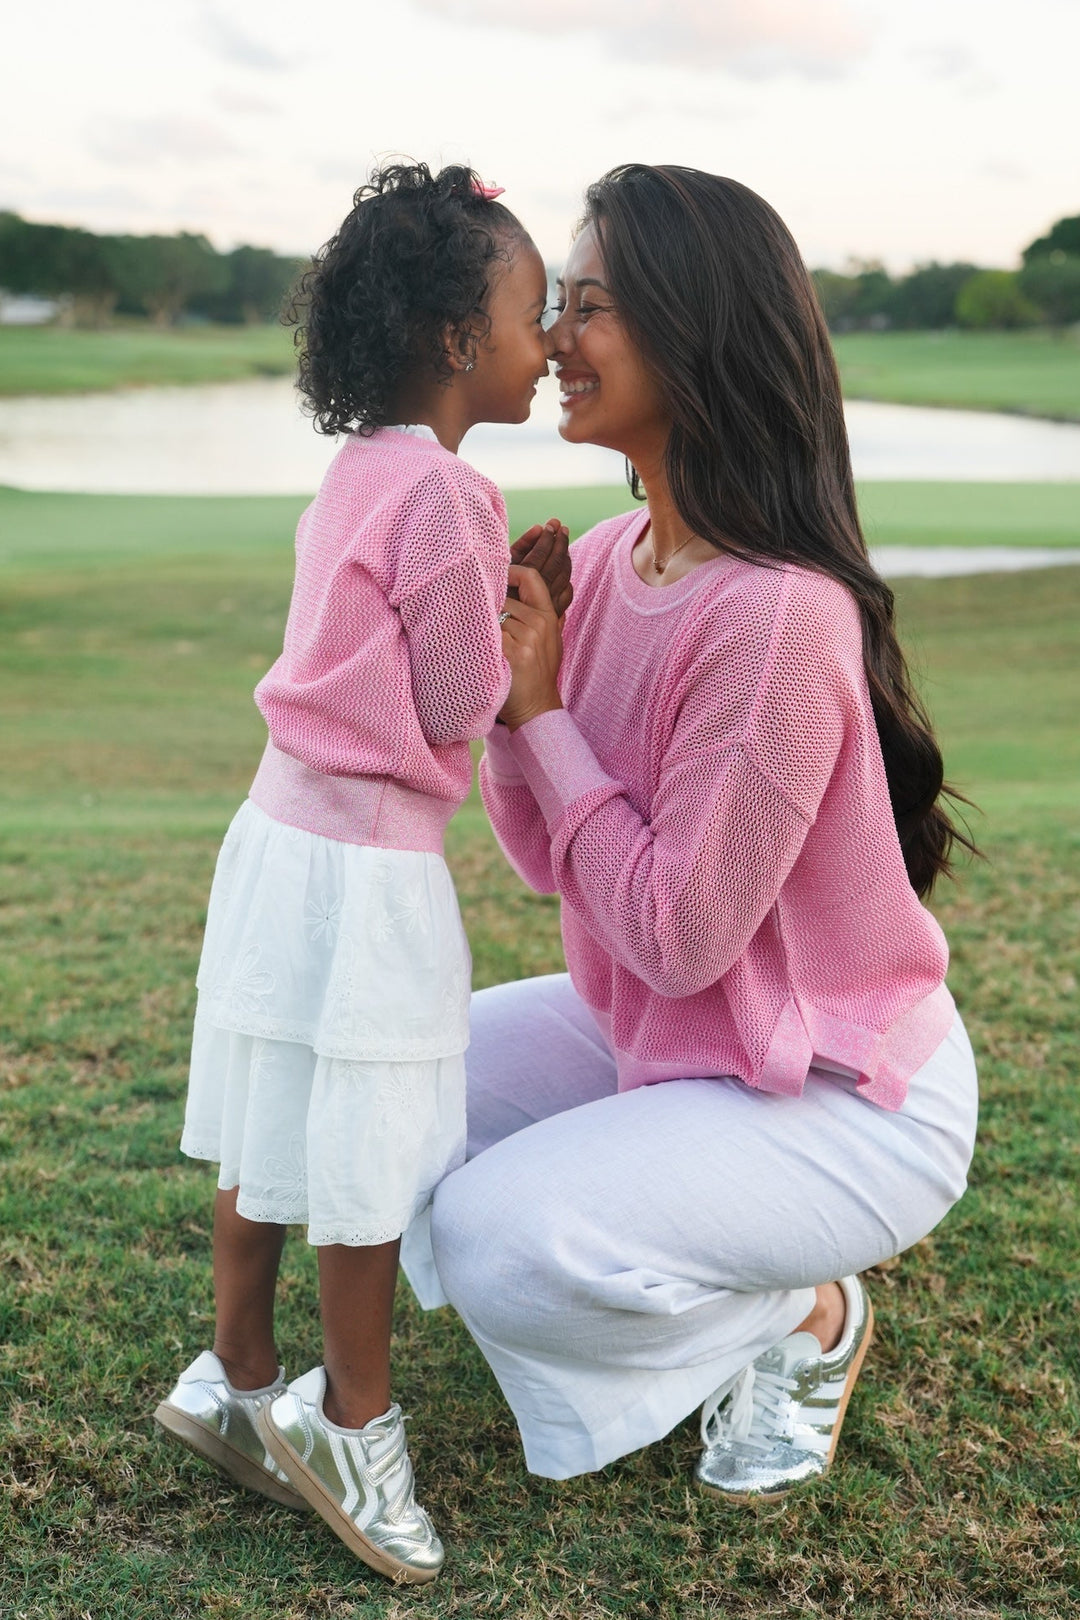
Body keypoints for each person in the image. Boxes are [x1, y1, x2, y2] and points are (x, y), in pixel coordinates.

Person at [402, 163, 979, 1499]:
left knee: (500, 1240)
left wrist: (546, 718)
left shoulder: (778, 615)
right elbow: (554, 863)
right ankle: (698, 1259)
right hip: (669, 1040)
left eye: (589, 304)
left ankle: (806, 1318)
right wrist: (508, 710)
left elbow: (675, 932)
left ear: (692, 330)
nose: (552, 341)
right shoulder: (604, 564)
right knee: (387, 1092)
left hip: (840, 1098)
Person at [154, 162, 570, 1584]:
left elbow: (379, 637)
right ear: (460, 340)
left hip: (276, 837)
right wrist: (533, 623)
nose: (550, 337)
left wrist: (477, 580)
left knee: (275, 1108)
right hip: (372, 868)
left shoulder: (360, 470)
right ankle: (352, 1421)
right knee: (365, 1149)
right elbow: (459, 702)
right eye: (532, 313)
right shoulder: (453, 490)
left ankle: (233, 1373)